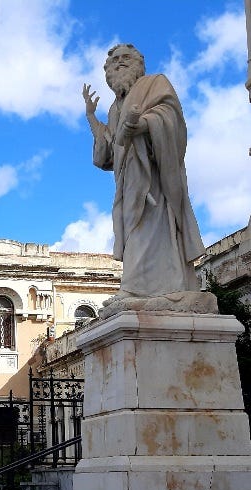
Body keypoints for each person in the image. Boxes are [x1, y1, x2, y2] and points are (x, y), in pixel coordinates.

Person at [82, 44, 205, 300]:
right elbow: (109, 154)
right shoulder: (115, 108)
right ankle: (144, 287)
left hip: (155, 179)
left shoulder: (155, 84)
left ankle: (137, 288)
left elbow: (171, 118)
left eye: (125, 58)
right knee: (135, 231)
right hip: (128, 184)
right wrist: (91, 117)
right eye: (113, 60)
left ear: (138, 62)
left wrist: (144, 124)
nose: (118, 63)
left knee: (149, 229)